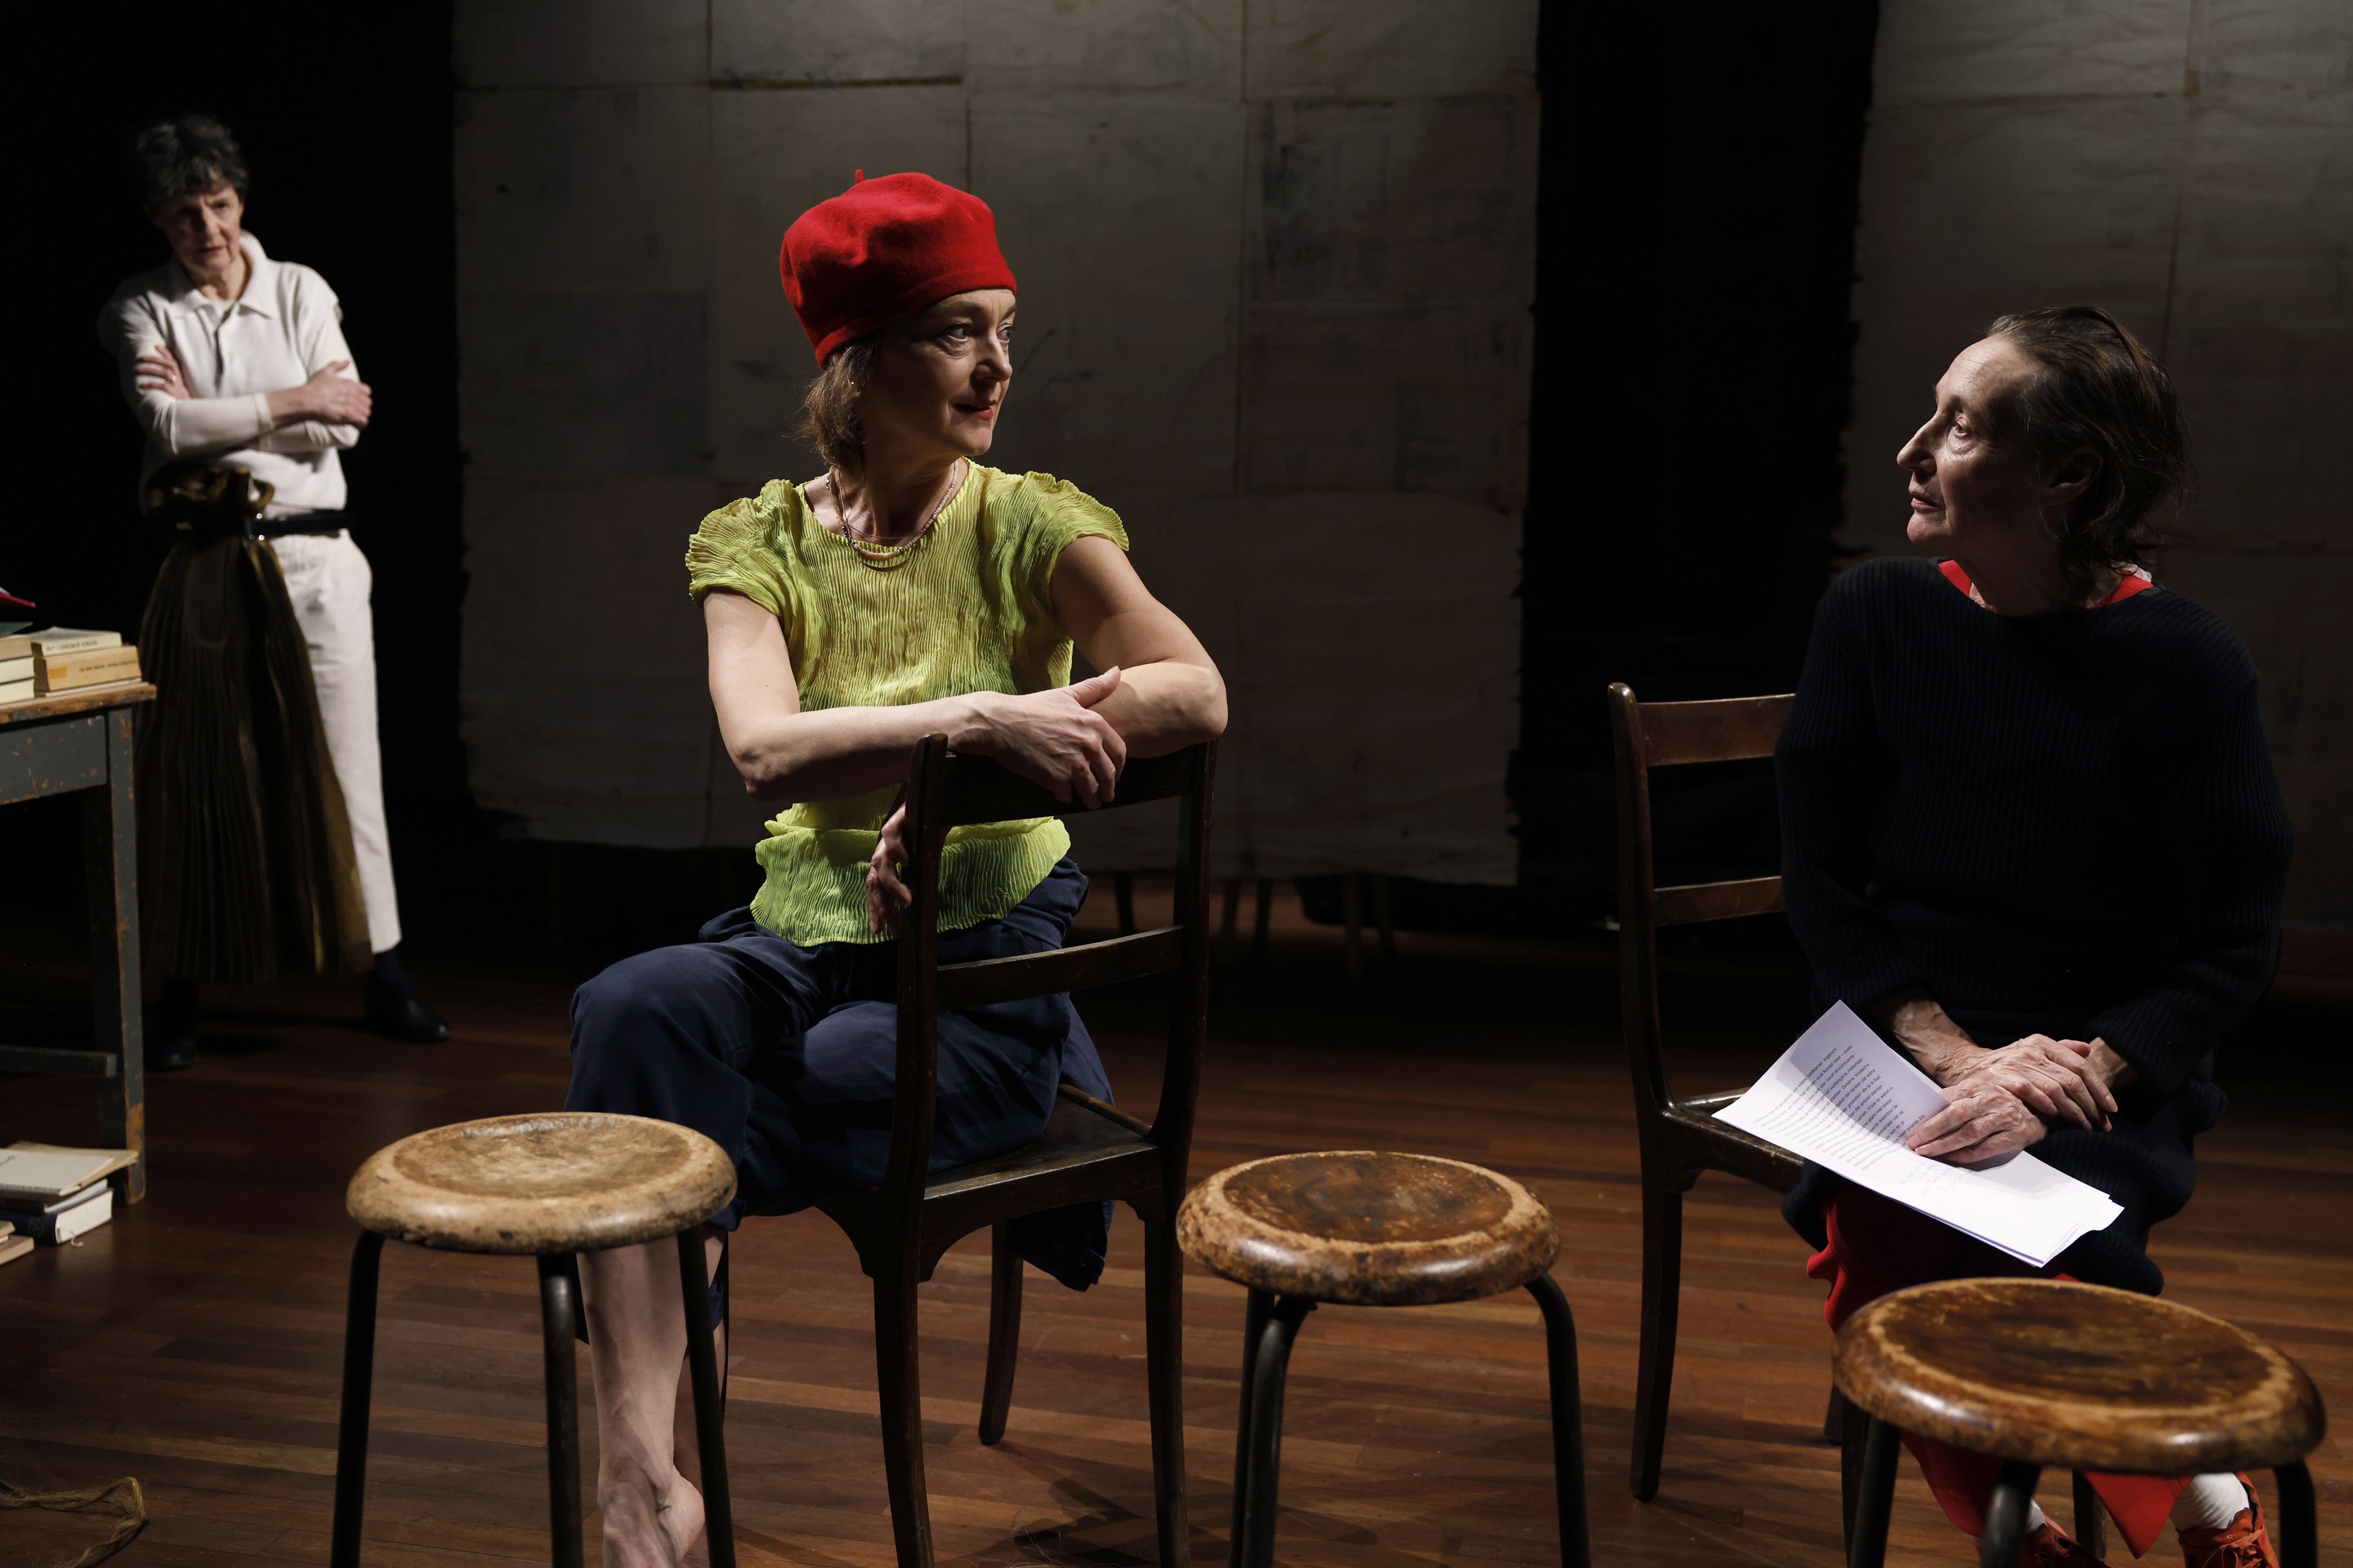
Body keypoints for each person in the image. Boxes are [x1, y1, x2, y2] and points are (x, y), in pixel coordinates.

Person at [562, 172, 1227, 1565]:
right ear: (857, 364)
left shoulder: (1032, 521)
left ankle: (642, 1502)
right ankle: (643, 1480)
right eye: (956, 331)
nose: (997, 364)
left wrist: (959, 789)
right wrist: (969, 728)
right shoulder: (759, 541)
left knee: (659, 1136)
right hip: (795, 940)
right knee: (636, 1009)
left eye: (1005, 328)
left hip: (975, 990)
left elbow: (1195, 691)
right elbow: (764, 749)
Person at [1776, 307, 2292, 1567]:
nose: (1914, 450)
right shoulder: (1874, 616)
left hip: (2100, 1065)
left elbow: (2232, 943)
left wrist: (2085, 1068)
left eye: (1960, 427)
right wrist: (1959, 1056)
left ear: (2068, 474)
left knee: (2026, 1228)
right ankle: (2170, 1504)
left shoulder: (2188, 662)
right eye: (1930, 412)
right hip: (1905, 1033)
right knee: (1898, 1189)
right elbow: (1823, 884)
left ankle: (2075, 1519)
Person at [97, 114, 446, 1056]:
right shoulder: (141, 307)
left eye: (216, 204)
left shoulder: (300, 290)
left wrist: (219, 415)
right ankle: (178, 985)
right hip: (203, 556)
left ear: (239, 197)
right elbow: (168, 430)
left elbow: (347, 422)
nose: (206, 228)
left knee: (348, 764)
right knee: (197, 767)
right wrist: (297, 399)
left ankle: (384, 970)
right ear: (157, 219)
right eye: (183, 213)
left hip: (316, 556)